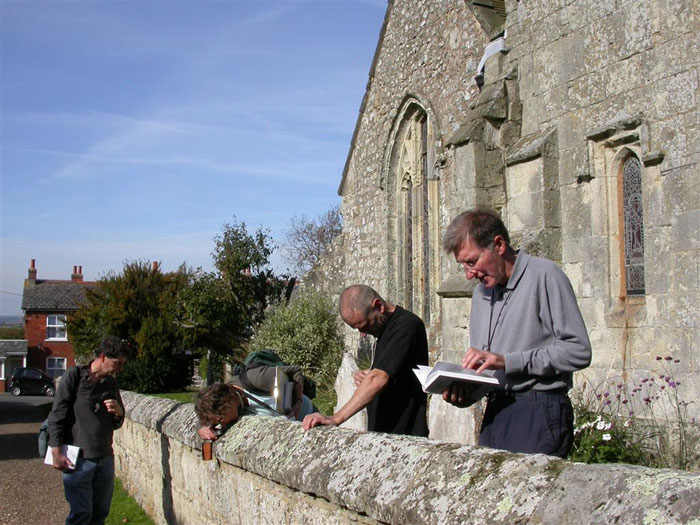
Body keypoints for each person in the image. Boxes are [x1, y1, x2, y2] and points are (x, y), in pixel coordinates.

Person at [441, 208, 591, 457]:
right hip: (496, 411)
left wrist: (507, 361)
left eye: (472, 261)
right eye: (463, 266)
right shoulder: (481, 293)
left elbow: (578, 351)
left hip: (539, 410)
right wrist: (464, 393)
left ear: (498, 244)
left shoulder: (545, 276)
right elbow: (489, 369)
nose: (469, 275)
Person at [302, 284, 429, 437]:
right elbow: (394, 371)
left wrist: (336, 418)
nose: (362, 334)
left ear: (378, 306)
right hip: (384, 433)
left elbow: (379, 378)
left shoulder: (406, 326)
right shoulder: (384, 331)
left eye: (364, 325)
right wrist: (369, 374)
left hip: (405, 435)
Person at [48, 336, 130, 525]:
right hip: (78, 458)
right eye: (117, 363)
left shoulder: (110, 384)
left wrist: (118, 413)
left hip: (105, 458)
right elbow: (57, 414)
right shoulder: (75, 377)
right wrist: (56, 451)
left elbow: (116, 423)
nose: (120, 368)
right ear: (102, 357)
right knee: (81, 514)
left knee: (100, 513)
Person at [196, 364, 315, 441]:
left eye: (221, 419)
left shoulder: (256, 379)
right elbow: (203, 418)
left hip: (308, 413)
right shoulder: (232, 406)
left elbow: (295, 370)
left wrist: (298, 402)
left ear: (226, 402)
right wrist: (202, 429)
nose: (222, 424)